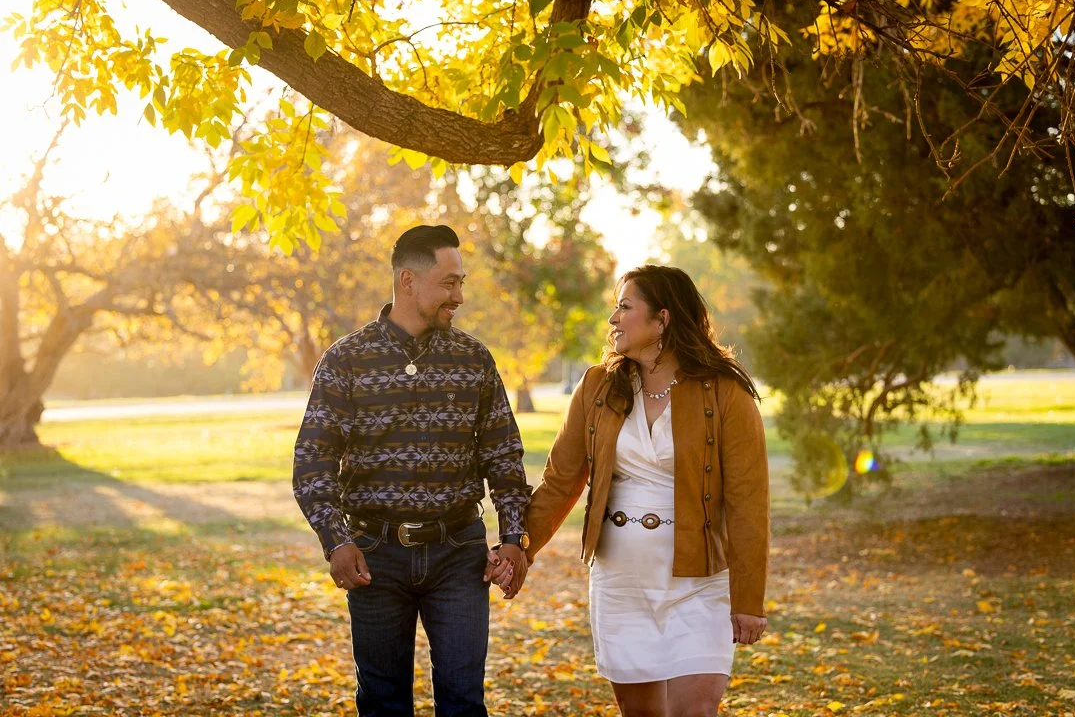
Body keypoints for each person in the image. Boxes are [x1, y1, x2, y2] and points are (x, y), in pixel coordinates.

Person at [292, 224, 531, 717]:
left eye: (461, 282)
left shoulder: (474, 359)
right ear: (408, 281)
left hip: (459, 554)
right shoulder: (346, 360)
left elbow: (504, 458)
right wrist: (336, 541)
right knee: (382, 703)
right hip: (375, 558)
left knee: (464, 703)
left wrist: (513, 537)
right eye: (449, 283)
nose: (459, 296)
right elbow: (313, 463)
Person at [524, 265, 770, 717]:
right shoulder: (598, 386)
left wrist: (748, 599)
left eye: (624, 306)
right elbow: (560, 480)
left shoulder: (726, 392)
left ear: (662, 318)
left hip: (697, 583)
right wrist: (522, 549)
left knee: (696, 711)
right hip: (620, 581)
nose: (613, 319)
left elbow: (748, 502)